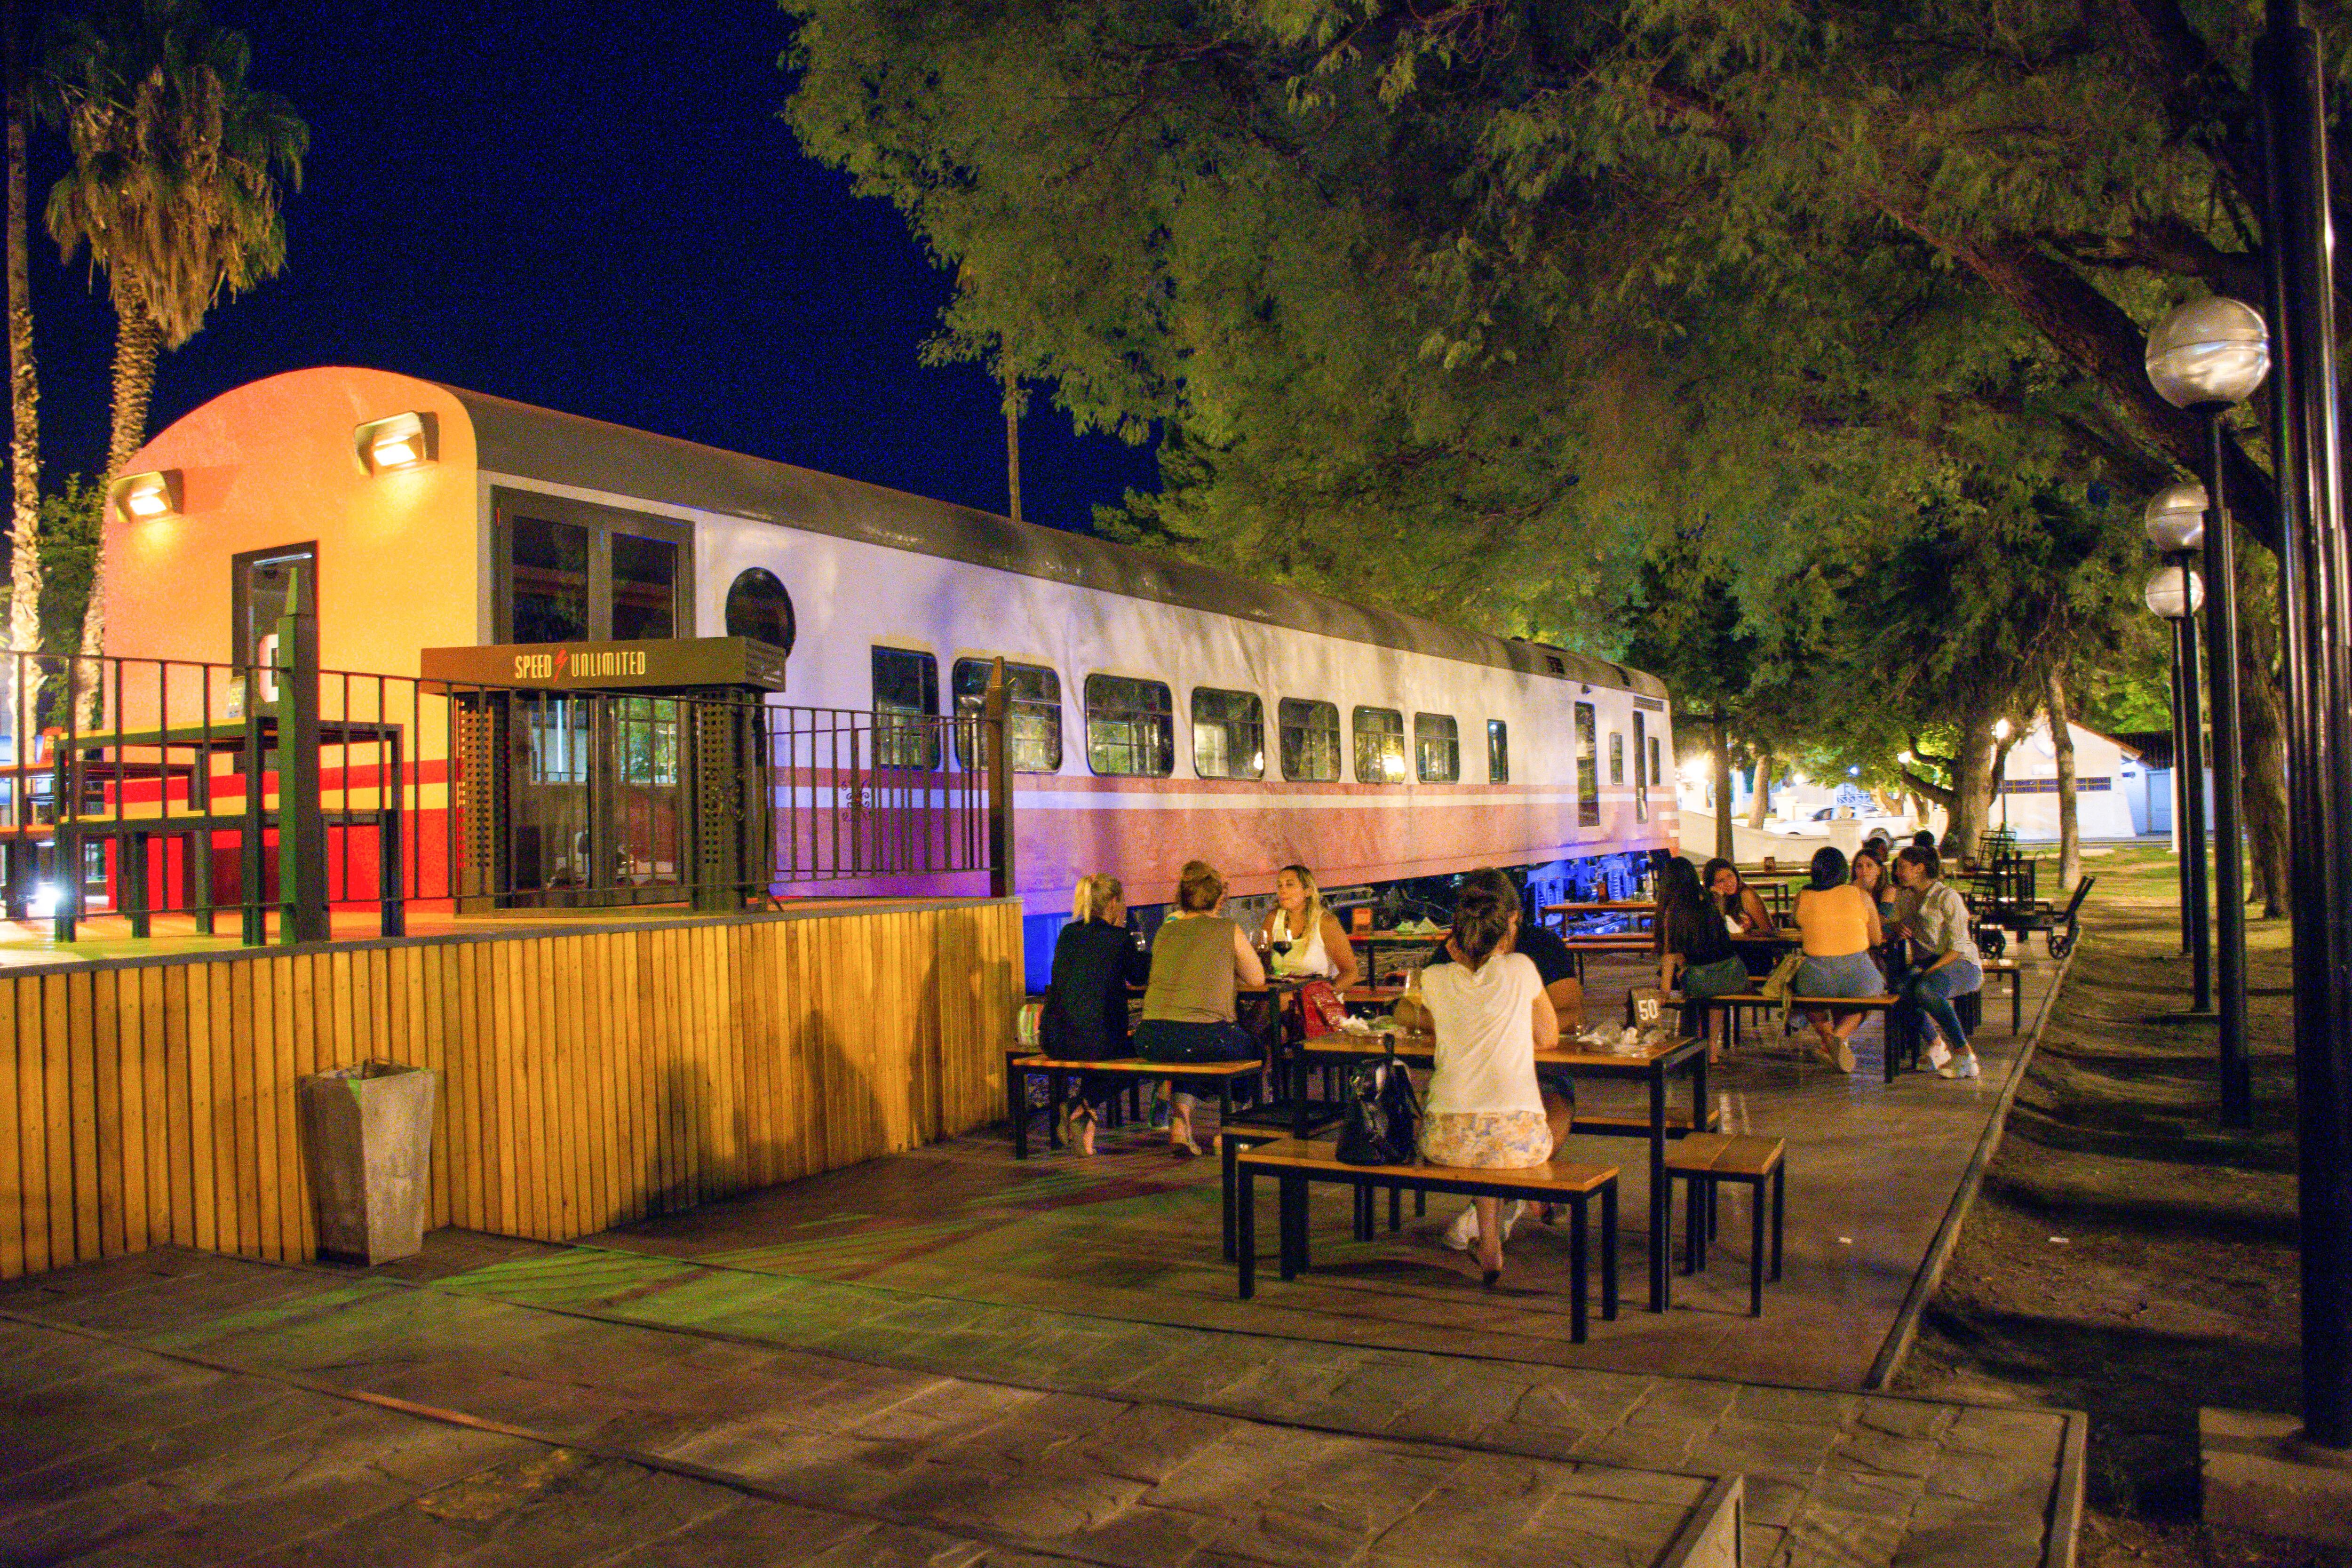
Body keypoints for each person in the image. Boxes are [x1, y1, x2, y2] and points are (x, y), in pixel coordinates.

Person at [1416, 876, 1571, 1288]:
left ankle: (1490, 1247)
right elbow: (1549, 1036)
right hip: (1518, 1139)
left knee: (1482, 1126)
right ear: (1507, 931)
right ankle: (1529, 1199)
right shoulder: (1522, 969)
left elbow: (1428, 1020)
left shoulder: (1434, 979)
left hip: (1445, 1139)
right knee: (1499, 1131)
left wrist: (1464, 970)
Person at [1136, 860, 1268, 1154]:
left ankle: (1181, 1128)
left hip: (1151, 1036)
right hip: (1205, 1034)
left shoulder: (1165, 931)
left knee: (1189, 1051)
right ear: (1219, 897)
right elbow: (1258, 979)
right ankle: (1230, 1133)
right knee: (1253, 1052)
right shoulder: (1227, 929)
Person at [1040, 874, 1150, 1155]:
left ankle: (1083, 1117)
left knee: (1102, 1046)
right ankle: (1083, 1102)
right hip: (1096, 1042)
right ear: (1114, 903)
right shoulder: (1118, 937)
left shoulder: (1068, 934)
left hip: (1054, 1039)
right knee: (1147, 1053)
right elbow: (1138, 977)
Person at [1892, 844, 1985, 1080]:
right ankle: (1936, 1044)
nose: (1898, 872)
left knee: (1926, 989)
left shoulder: (1947, 897)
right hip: (1928, 962)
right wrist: (1896, 928)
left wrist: (1929, 971)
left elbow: (1959, 945)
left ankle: (1964, 1054)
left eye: (1903, 867)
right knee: (1900, 990)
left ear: (1919, 869)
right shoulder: (1905, 896)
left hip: (1962, 962)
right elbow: (1895, 923)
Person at [1790, 846, 1885, 1074]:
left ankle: (1827, 1040)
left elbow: (1796, 923)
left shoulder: (1803, 896)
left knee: (1807, 997)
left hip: (1816, 974)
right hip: (1858, 974)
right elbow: (1877, 939)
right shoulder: (1861, 896)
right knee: (1872, 996)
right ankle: (1837, 1037)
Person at [1658, 858, 1747, 1062]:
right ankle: (1712, 1051)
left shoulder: (1674, 910)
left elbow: (1670, 952)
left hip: (1701, 980)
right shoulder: (1711, 899)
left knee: (1693, 988)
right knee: (1715, 997)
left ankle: (1690, 1048)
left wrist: (1665, 990)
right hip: (1733, 975)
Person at [1255, 863, 1360, 989]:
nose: (1282, 890)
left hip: (1316, 998)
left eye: (1290, 885)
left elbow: (1350, 972)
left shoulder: (1326, 923)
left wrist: (1326, 993)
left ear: (1308, 891)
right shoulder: (1273, 919)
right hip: (1283, 995)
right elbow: (1261, 961)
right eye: (1280, 885)